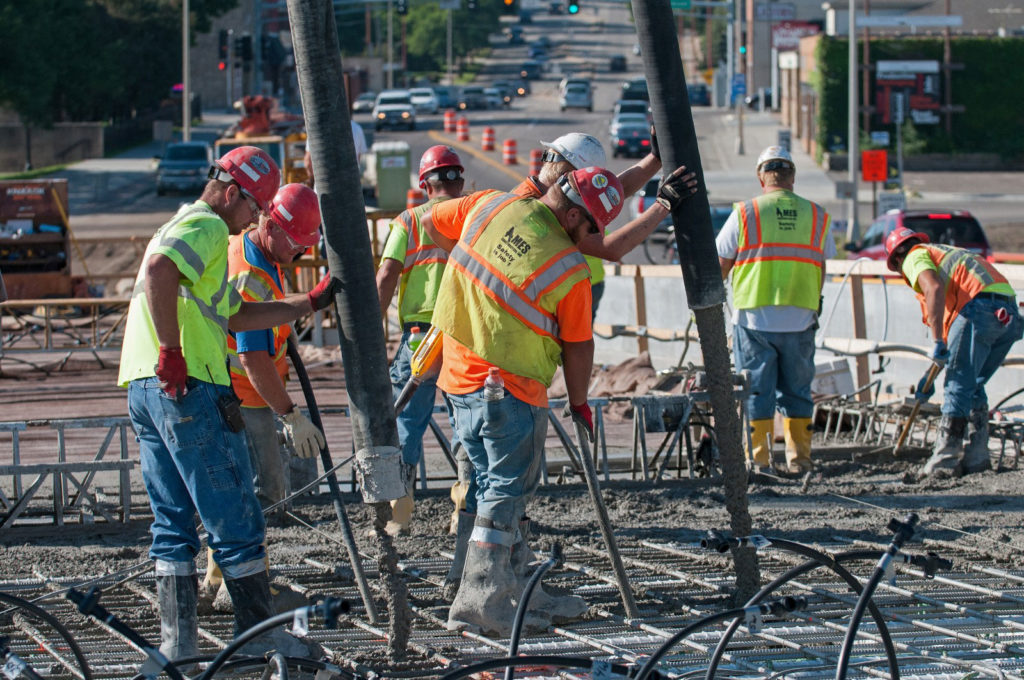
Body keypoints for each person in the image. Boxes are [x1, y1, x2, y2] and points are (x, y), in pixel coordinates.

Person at [423, 165, 694, 637]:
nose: (592, 238)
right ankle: (481, 598)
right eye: (591, 227)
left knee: (494, 489)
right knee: (506, 492)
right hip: (510, 390)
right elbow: (579, 345)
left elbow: (429, 222)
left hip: (459, 380)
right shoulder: (568, 270)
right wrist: (580, 401)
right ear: (572, 217)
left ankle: (517, 588)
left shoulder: (490, 204)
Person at [117, 146, 337, 663]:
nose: (257, 218)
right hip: (189, 386)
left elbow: (234, 316)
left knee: (173, 525)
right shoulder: (209, 226)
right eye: (254, 207)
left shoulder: (185, 228)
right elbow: (157, 271)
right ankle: (258, 640)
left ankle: (178, 648)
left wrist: (307, 302)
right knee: (237, 521)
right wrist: (173, 351)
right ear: (232, 192)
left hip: (147, 389)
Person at [716, 145, 835, 476]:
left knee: (756, 392)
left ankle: (760, 462)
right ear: (792, 176)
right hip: (800, 317)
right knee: (798, 392)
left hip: (754, 317)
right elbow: (820, 266)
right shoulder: (817, 215)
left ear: (761, 176)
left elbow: (721, 265)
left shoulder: (746, 213)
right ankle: (801, 462)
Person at [375, 145, 466, 537]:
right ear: (459, 180)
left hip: (420, 340)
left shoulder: (409, 221)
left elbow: (386, 278)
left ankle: (400, 515)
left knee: (407, 424)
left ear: (424, 185)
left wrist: (370, 339)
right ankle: (466, 510)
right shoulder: (472, 218)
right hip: (465, 337)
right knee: (467, 422)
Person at [884, 227, 1023, 477]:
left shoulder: (914, 256)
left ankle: (944, 462)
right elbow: (953, 334)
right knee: (973, 383)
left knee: (958, 385)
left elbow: (933, 289)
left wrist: (936, 341)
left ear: (897, 260)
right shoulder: (949, 254)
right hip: (1008, 317)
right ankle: (977, 458)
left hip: (979, 309)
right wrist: (930, 377)